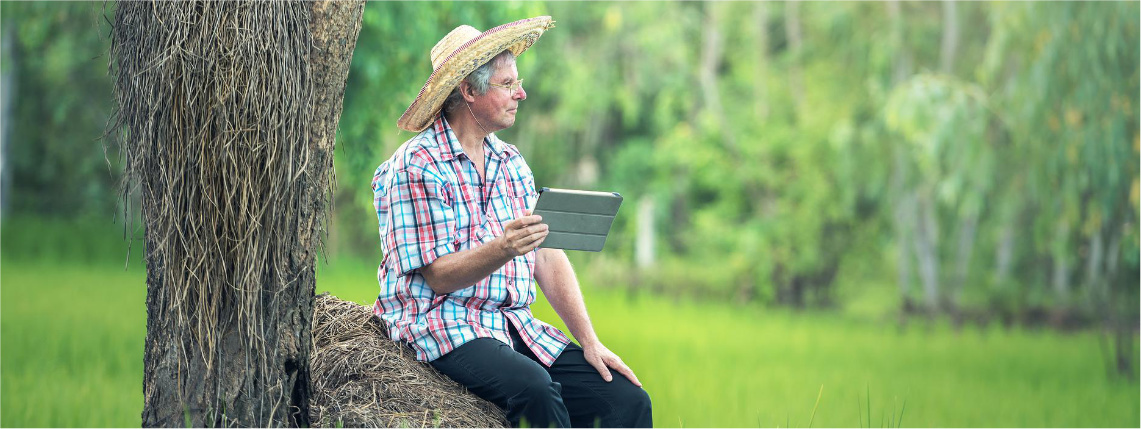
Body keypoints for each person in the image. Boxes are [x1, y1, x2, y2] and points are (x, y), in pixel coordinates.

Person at [371, 16, 652, 428]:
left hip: (510, 323)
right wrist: (503, 248)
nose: (521, 93)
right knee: (535, 389)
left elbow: (547, 257)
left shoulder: (512, 163)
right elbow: (438, 277)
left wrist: (590, 342)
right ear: (468, 90)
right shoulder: (416, 167)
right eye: (507, 84)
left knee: (626, 399)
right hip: (441, 323)